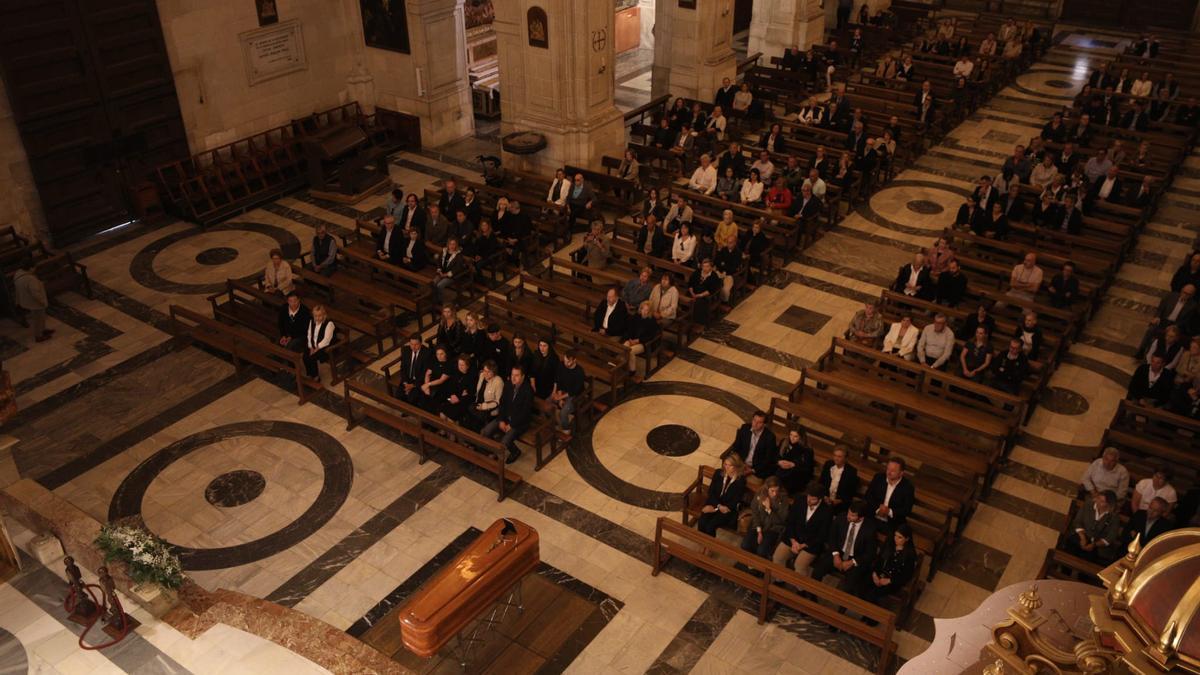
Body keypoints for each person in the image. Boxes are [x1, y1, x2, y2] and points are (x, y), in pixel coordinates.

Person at [811, 500, 877, 590]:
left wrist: (852, 562)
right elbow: (832, 537)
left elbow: (870, 553)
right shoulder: (841, 517)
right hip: (838, 552)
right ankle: (812, 596)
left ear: (861, 518)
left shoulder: (870, 529)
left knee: (849, 587)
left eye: (852, 515)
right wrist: (836, 555)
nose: (848, 517)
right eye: (849, 513)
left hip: (855, 558)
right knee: (816, 572)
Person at [772, 484, 832, 574]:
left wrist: (802, 545)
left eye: (813, 499)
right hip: (793, 537)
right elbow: (790, 521)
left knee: (799, 566)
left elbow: (822, 535)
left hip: (811, 544)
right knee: (778, 557)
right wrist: (793, 541)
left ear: (820, 499)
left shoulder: (827, 511)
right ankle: (779, 580)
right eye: (808, 496)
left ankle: (801, 588)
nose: (809, 500)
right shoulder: (800, 500)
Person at [855, 523, 917, 607]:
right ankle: (861, 608)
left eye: (900, 537)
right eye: (895, 535)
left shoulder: (909, 554)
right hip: (879, 573)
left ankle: (871, 617)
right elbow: (879, 559)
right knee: (861, 585)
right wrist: (875, 573)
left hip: (893, 580)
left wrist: (889, 580)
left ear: (907, 539)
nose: (896, 539)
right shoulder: (890, 544)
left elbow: (906, 575)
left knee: (873, 595)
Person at [481, 366, 533, 463]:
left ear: (523, 377)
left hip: (519, 423)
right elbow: (502, 404)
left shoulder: (528, 390)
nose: (513, 378)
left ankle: (515, 452)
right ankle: (494, 452)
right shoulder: (508, 384)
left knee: (504, 442)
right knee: (485, 431)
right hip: (505, 418)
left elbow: (525, 413)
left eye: (517, 375)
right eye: (512, 375)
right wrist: (501, 420)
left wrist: (511, 425)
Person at [1139, 284, 1195, 357]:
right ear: (1181, 291)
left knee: (1169, 336)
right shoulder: (1171, 296)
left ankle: (1157, 355)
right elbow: (1160, 308)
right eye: (1184, 292)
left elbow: (1186, 321)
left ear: (1192, 295)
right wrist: (1157, 317)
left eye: (1188, 294)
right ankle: (1141, 350)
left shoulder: (1192, 306)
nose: (1185, 295)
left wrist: (1175, 326)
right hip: (1163, 320)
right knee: (1151, 330)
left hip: (1175, 324)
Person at [1066, 489, 1121, 563]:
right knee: (1071, 547)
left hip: (1097, 545)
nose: (1098, 502)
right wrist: (1082, 538)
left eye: (1102, 501)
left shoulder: (1114, 517)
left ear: (1109, 504)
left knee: (1089, 559)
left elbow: (1110, 537)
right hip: (1081, 536)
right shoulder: (1088, 504)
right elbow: (1077, 521)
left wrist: (1094, 544)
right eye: (1098, 499)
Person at [697, 454, 747, 536]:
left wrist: (717, 509)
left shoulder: (740, 481)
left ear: (735, 466)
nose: (725, 467)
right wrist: (717, 506)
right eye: (725, 464)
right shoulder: (718, 473)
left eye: (729, 465)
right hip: (714, 503)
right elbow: (711, 492)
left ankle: (709, 546)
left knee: (710, 526)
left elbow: (735, 501)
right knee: (702, 521)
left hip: (727, 509)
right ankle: (702, 541)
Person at [741, 477, 788, 558]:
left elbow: (780, 521)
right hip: (758, 525)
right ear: (767, 489)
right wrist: (759, 531)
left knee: (761, 551)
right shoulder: (760, 493)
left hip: (773, 529)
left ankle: (759, 566)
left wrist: (769, 509)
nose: (775, 494)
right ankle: (750, 563)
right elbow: (755, 513)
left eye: (777, 490)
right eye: (772, 491)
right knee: (745, 545)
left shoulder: (783, 499)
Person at [864, 458, 915, 529]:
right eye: (888, 469)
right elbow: (868, 495)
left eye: (893, 471)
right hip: (872, 515)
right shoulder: (878, 477)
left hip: (892, 522)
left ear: (901, 473)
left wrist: (889, 511)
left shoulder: (908, 487)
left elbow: (906, 510)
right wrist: (878, 509)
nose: (889, 472)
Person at [728, 410, 777, 478]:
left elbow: (768, 459)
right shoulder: (745, 428)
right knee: (724, 472)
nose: (755, 424)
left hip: (756, 467)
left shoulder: (770, 437)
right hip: (741, 462)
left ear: (764, 424)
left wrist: (753, 470)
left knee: (737, 479)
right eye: (754, 420)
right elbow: (736, 446)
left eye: (759, 422)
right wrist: (738, 462)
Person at [12, 260, 52, 343]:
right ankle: (39, 336)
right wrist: (43, 302)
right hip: (35, 302)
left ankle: (43, 329)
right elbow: (35, 293)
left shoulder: (18, 274)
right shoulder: (30, 279)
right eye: (34, 267)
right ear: (30, 268)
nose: (35, 269)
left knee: (40, 317)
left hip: (26, 300)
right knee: (38, 319)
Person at [549, 350, 585, 437]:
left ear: (574, 360)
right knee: (547, 403)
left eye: (568, 361)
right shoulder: (562, 365)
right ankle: (556, 423)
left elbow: (574, 390)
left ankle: (566, 430)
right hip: (561, 392)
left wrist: (560, 397)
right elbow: (557, 380)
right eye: (565, 360)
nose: (566, 363)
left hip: (574, 395)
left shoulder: (579, 372)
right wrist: (555, 394)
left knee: (563, 412)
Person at [622, 302, 660, 377]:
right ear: (640, 309)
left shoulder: (652, 321)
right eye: (643, 309)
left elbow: (650, 336)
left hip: (644, 343)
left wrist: (638, 341)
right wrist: (630, 339)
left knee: (631, 351)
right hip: (632, 340)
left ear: (649, 311)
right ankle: (624, 366)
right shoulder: (636, 316)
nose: (644, 312)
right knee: (624, 347)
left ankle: (632, 370)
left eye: (647, 310)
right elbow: (630, 329)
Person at [774, 427, 814, 496]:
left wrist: (793, 465)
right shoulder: (784, 441)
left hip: (795, 474)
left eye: (795, 436)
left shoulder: (807, 450)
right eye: (791, 435)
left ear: (801, 437)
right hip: (781, 469)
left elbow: (807, 468)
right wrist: (779, 462)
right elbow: (776, 455)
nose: (792, 438)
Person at [819, 445, 860, 512]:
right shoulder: (828, 464)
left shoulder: (851, 471)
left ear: (845, 458)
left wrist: (839, 500)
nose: (836, 458)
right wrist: (824, 496)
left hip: (840, 503)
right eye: (835, 455)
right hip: (824, 499)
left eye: (839, 457)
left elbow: (851, 491)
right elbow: (821, 482)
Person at [440, 354, 477, 422]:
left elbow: (469, 393)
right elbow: (450, 385)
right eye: (459, 364)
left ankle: (450, 432)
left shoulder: (472, 376)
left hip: (463, 401)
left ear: (468, 366)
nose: (460, 367)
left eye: (462, 365)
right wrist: (452, 394)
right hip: (453, 397)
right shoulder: (455, 371)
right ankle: (443, 431)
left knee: (450, 418)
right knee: (442, 414)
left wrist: (459, 397)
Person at [396, 335, 431, 405]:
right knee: (398, 395)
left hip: (418, 380)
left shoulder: (427, 353)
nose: (413, 347)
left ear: (421, 343)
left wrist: (413, 385)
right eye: (411, 344)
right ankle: (405, 408)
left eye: (416, 344)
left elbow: (424, 372)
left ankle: (412, 409)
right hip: (407, 379)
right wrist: (405, 383)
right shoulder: (405, 350)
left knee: (412, 398)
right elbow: (403, 368)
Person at [303, 304, 335, 380]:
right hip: (313, 345)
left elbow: (327, 339)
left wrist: (316, 348)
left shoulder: (329, 323)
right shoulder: (312, 321)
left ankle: (316, 376)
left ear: (324, 315)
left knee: (312, 357)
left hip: (325, 347)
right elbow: (309, 334)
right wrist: (310, 347)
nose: (317, 318)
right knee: (305, 356)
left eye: (320, 316)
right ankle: (310, 373)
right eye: (315, 316)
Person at [418, 346, 453, 411]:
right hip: (430, 384)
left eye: (441, 354)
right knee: (420, 393)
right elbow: (427, 374)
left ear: (446, 354)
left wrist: (427, 385)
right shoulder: (434, 361)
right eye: (437, 354)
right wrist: (427, 387)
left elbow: (441, 380)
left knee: (430, 398)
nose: (439, 356)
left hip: (441, 386)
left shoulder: (449, 364)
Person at [688, 259, 721, 324]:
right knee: (687, 299)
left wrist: (699, 295)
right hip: (693, 292)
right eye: (703, 266)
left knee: (698, 303)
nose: (705, 268)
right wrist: (692, 293)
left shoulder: (714, 276)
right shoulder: (697, 272)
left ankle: (697, 322)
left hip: (704, 296)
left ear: (711, 267)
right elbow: (690, 283)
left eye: (707, 266)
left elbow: (711, 290)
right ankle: (687, 318)